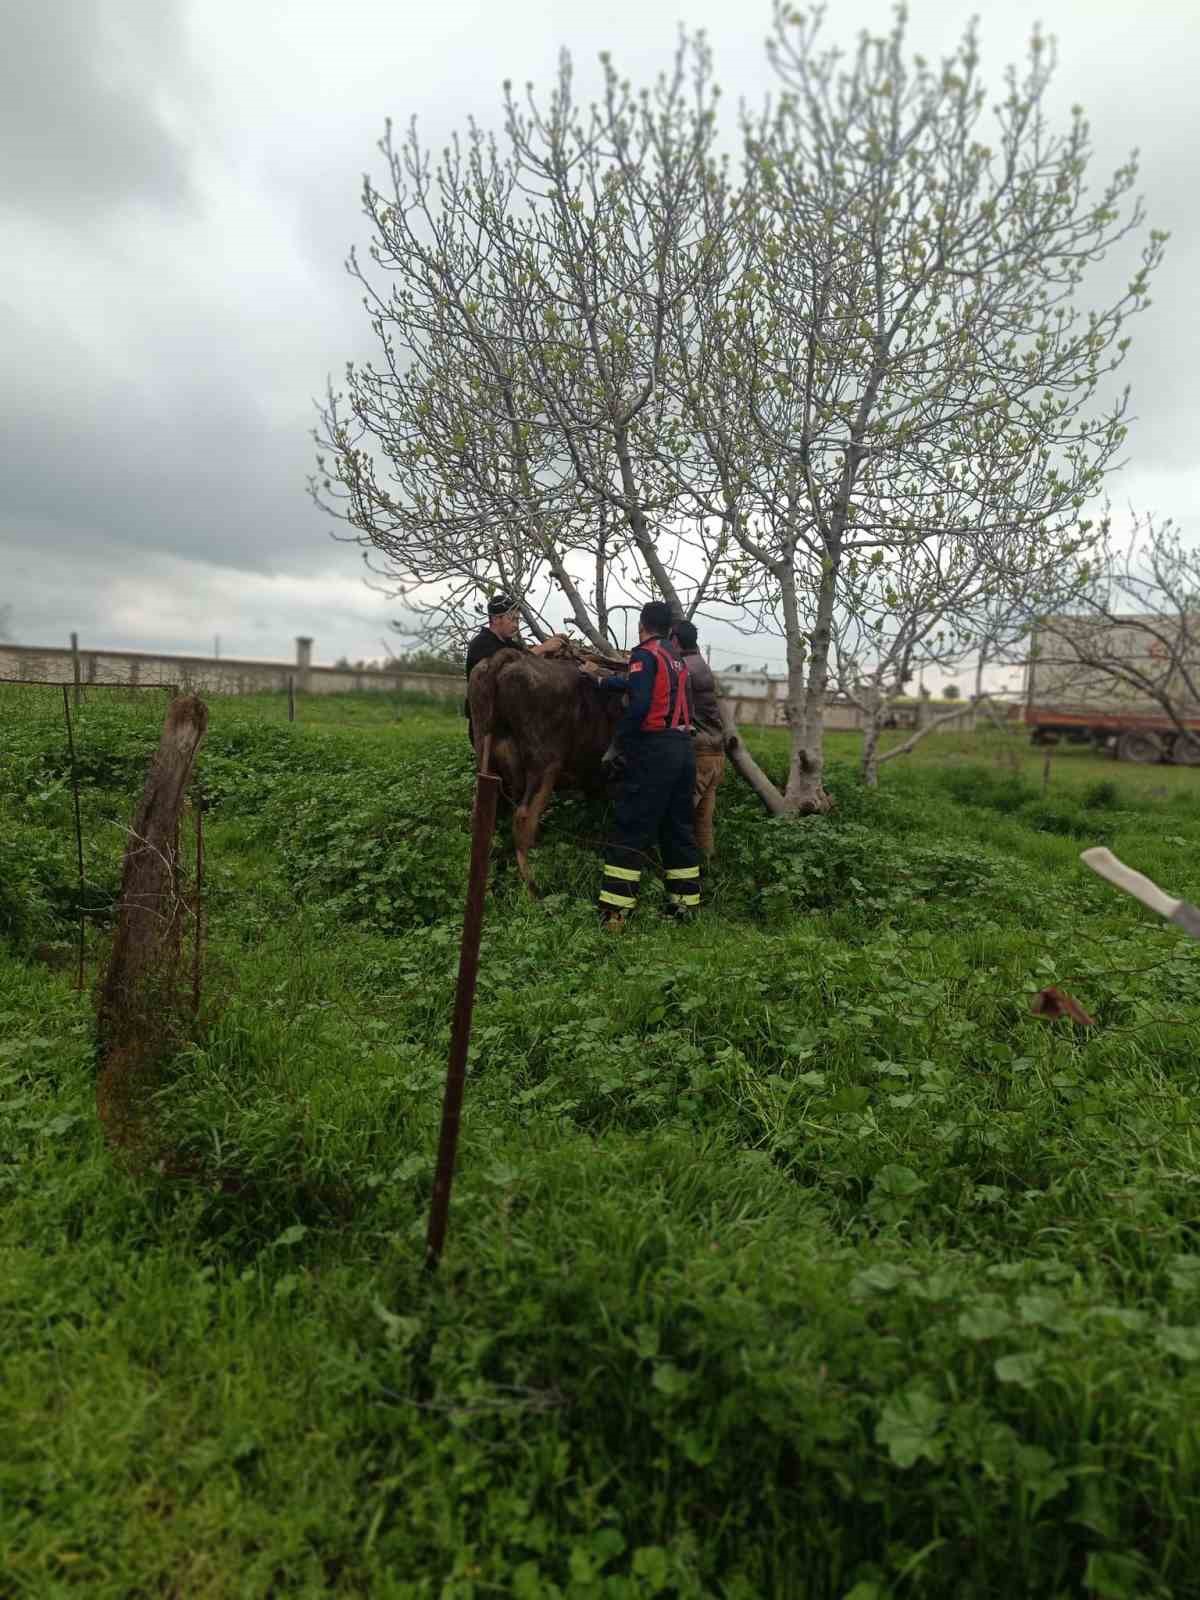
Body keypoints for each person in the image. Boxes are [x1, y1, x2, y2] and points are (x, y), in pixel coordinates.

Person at [587, 601, 701, 927]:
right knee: (677, 828)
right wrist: (602, 681)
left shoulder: (645, 654)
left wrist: (619, 744)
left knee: (632, 826)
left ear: (642, 625)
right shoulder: (677, 658)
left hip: (656, 751)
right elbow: (640, 684)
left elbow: (639, 704)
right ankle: (684, 906)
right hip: (683, 750)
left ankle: (614, 912)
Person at [463, 595, 563, 741]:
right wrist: (542, 648)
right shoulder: (480, 644)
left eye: (518, 620)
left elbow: (525, 657)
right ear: (496, 619)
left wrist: (548, 651)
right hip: (487, 725)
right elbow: (510, 663)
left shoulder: (509, 644)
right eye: (512, 619)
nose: (516, 625)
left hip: (508, 721)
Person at [668, 619, 725, 858]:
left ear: (675, 640)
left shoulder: (683, 669)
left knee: (676, 818)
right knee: (703, 820)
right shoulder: (702, 664)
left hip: (699, 754)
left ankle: (675, 871)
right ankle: (707, 867)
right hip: (716, 755)